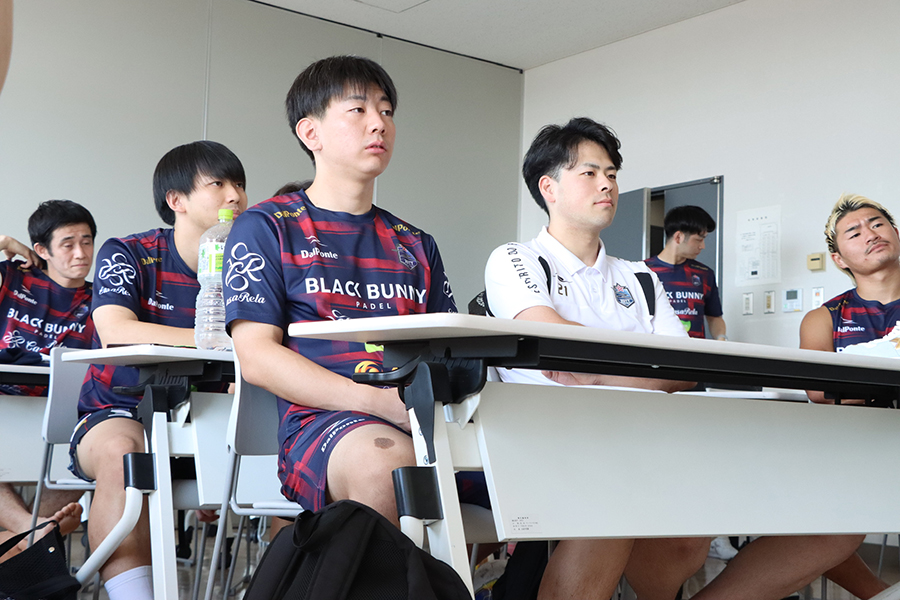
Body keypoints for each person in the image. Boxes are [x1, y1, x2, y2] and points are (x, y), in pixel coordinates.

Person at [224, 52, 472, 569]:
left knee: (583, 477)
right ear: (310, 132)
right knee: (387, 469)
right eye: (358, 110)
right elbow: (257, 358)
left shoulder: (415, 242)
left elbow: (448, 351)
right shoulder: (267, 226)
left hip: (423, 419)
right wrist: (380, 404)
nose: (379, 123)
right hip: (323, 422)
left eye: (386, 110)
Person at [483, 117, 708, 599]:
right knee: (617, 500)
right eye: (589, 173)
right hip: (548, 439)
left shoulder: (640, 277)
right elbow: (551, 339)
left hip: (646, 438)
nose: (606, 184)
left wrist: (597, 373)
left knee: (690, 539)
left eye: (611, 174)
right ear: (549, 188)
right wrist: (640, 371)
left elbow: (684, 368)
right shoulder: (517, 258)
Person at [690, 194, 893, 600]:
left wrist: (861, 388)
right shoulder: (825, 318)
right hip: (857, 449)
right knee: (823, 519)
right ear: (839, 259)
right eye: (854, 232)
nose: (870, 234)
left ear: (896, 233)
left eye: (877, 224)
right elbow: (821, 390)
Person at [69, 141, 247, 600]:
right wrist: (212, 340)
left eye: (239, 184)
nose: (235, 196)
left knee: (298, 438)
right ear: (176, 200)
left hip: (213, 420)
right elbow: (114, 330)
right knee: (123, 452)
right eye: (218, 184)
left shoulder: (250, 262)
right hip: (119, 412)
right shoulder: (129, 252)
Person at [0, 199, 96, 559]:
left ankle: (29, 536)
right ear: (42, 250)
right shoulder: (13, 279)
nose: (81, 253)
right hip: (4, 404)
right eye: (68, 244)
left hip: (62, 417)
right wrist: (4, 241)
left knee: (97, 440)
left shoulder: (102, 299)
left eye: (87, 241)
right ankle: (38, 531)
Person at [645, 205, 726, 340]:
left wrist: (721, 339)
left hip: (695, 351)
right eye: (699, 240)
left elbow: (714, 317)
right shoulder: (643, 271)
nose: (702, 246)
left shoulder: (704, 274)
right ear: (678, 237)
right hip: (656, 348)